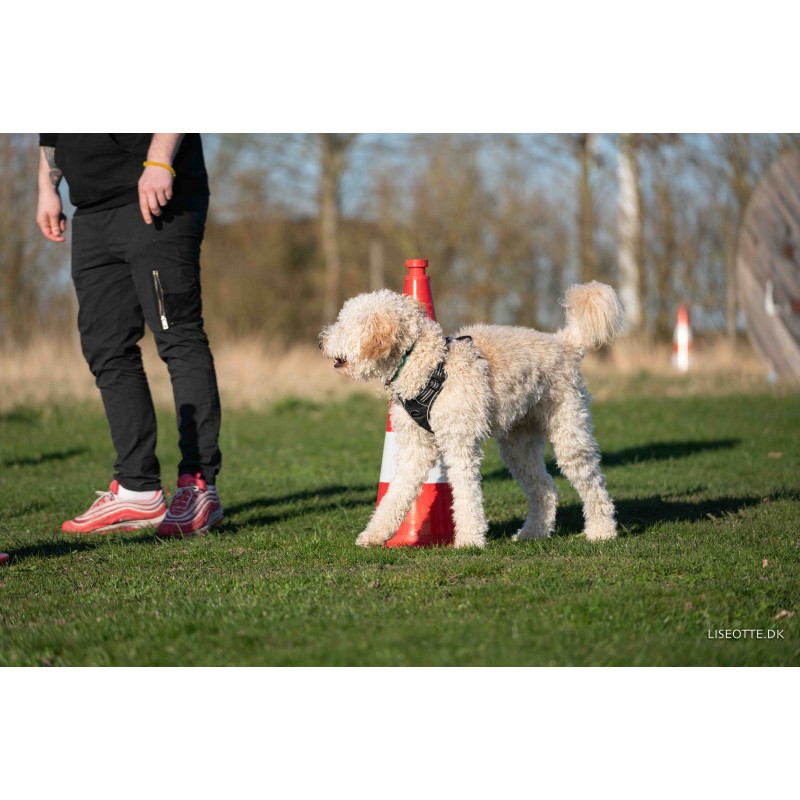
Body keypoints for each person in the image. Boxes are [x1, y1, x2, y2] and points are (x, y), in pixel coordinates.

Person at [36, 134, 223, 537]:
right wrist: (47, 187)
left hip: (154, 191)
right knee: (106, 347)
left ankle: (198, 484)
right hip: (90, 207)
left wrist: (159, 161)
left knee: (177, 336)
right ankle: (138, 490)